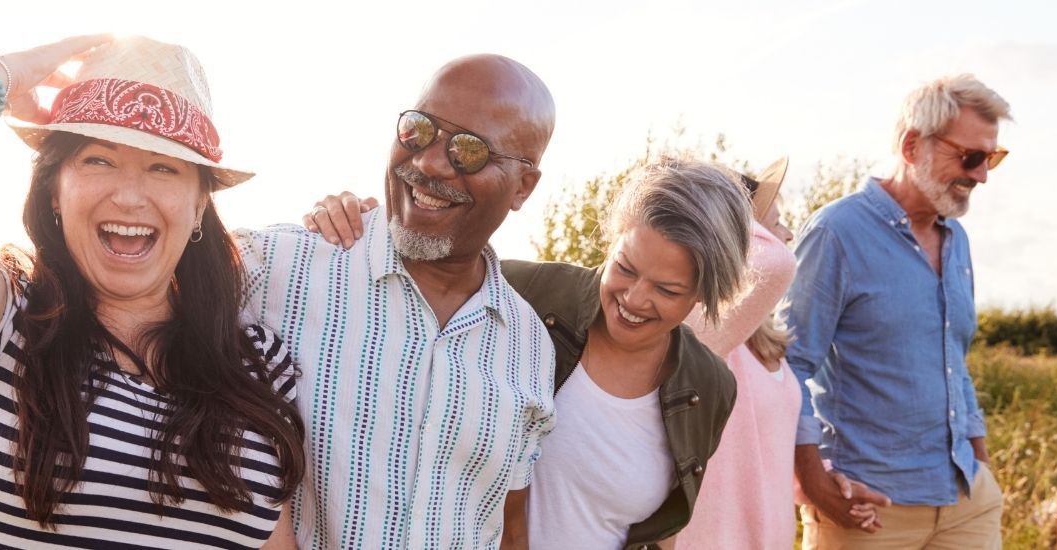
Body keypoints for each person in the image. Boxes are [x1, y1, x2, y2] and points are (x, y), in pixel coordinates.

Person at [0, 36, 303, 549]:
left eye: (163, 167)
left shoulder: (256, 362)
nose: (129, 197)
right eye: (98, 160)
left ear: (198, 207)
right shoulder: (2, 325)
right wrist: (0, 73)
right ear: (54, 191)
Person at [305, 156, 754, 549]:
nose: (634, 299)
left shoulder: (709, 385)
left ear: (703, 294)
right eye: (625, 268)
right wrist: (352, 221)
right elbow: (401, 277)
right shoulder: (520, 296)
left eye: (667, 289)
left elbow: (661, 531)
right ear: (611, 243)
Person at [235, 54, 557, 549]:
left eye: (469, 151)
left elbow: (506, 527)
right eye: (418, 130)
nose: (428, 162)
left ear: (523, 187)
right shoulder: (275, 270)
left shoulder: (531, 345)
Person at [783, 74, 1011, 549]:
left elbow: (954, 362)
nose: (981, 175)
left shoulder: (957, 240)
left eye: (991, 158)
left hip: (966, 502)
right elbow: (789, 365)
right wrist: (816, 487)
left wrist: (982, 464)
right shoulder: (836, 233)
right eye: (970, 157)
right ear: (912, 146)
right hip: (869, 510)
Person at [675, 158, 881, 549]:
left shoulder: (764, 340)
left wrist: (825, 481)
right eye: (775, 223)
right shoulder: (707, 333)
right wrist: (720, 212)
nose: (787, 234)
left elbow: (766, 447)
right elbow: (775, 262)